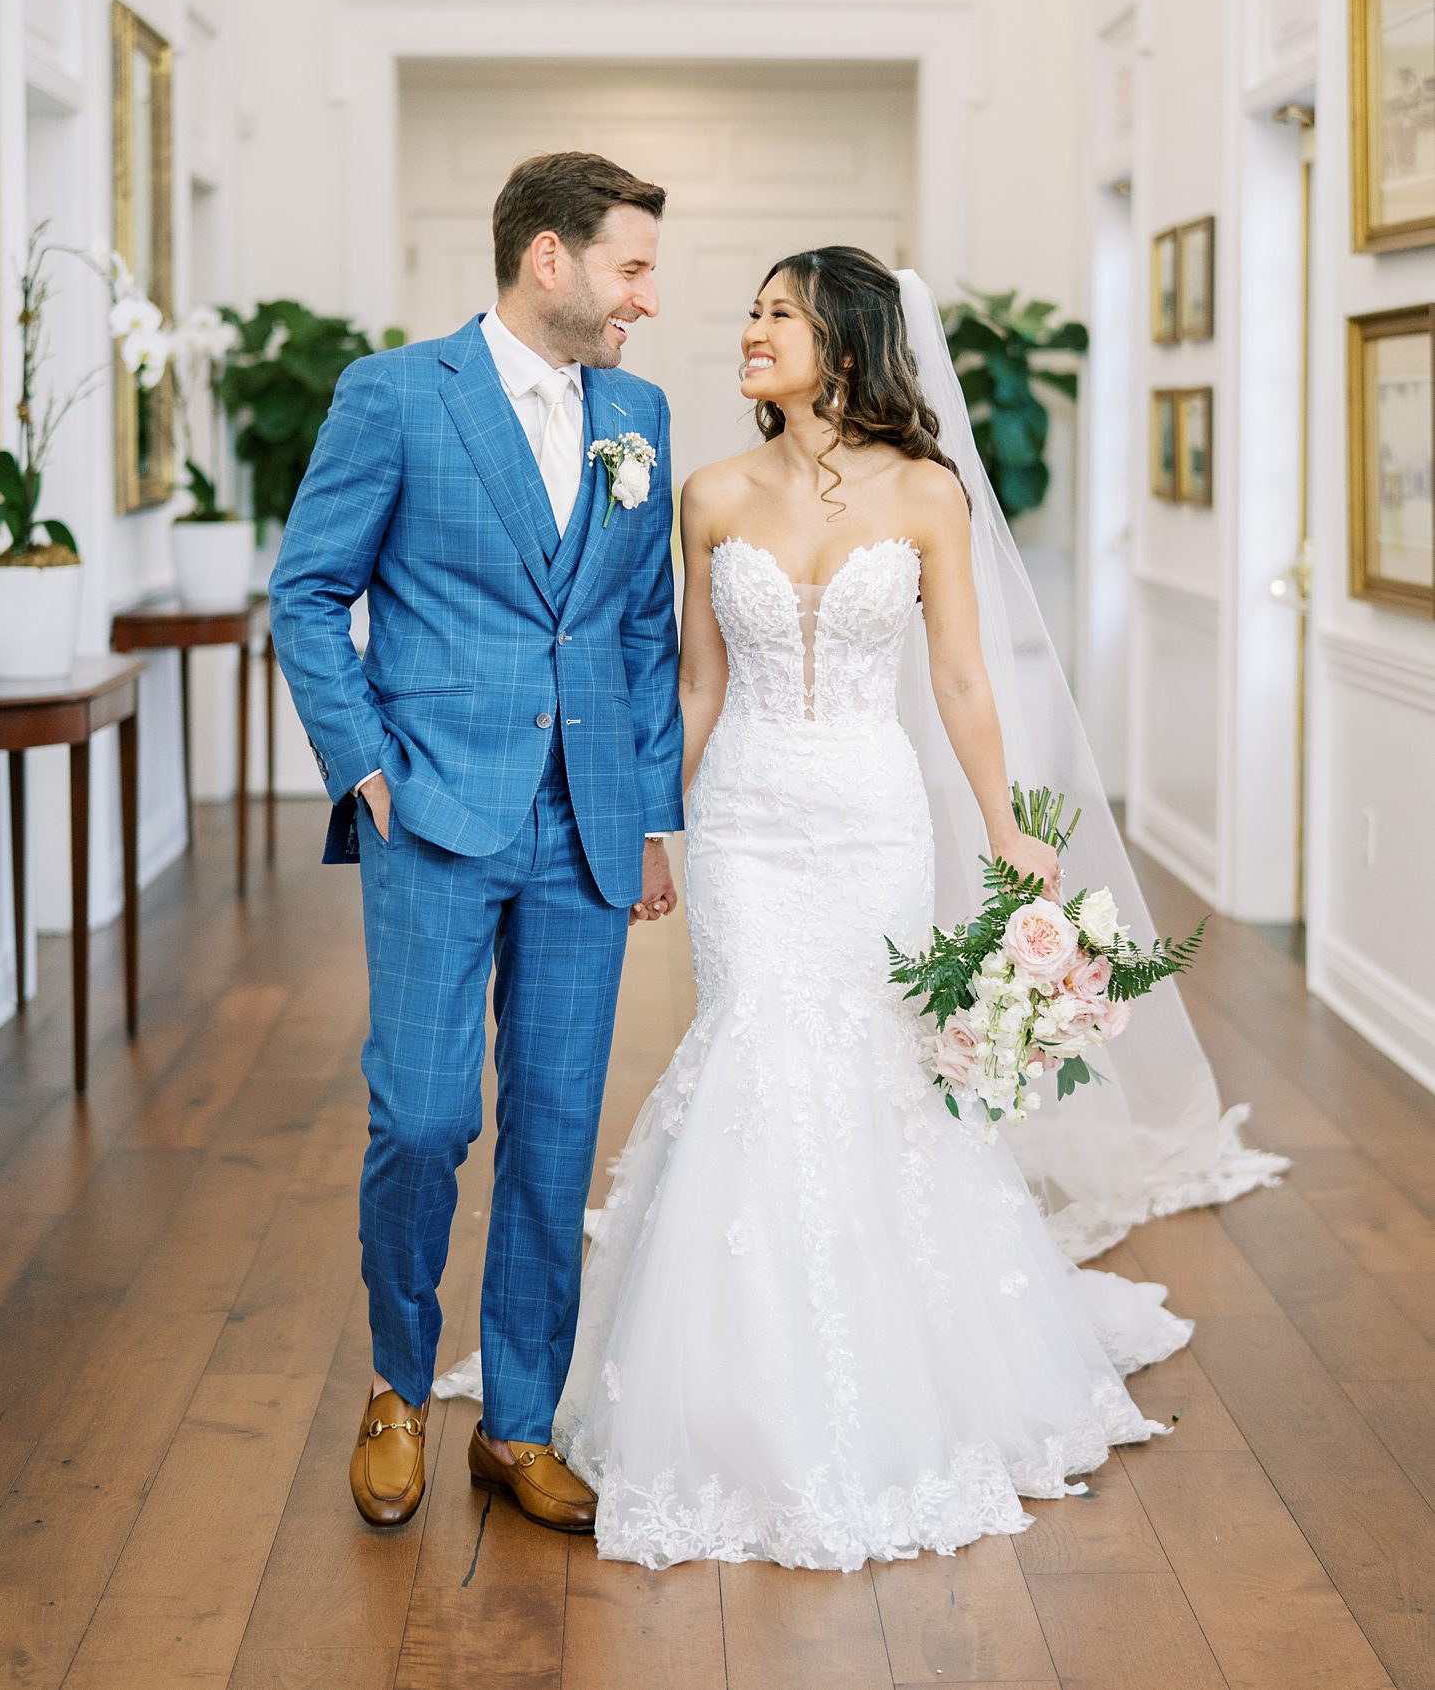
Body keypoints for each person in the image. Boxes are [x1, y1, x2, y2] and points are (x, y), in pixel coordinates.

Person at [438, 244, 1283, 1571]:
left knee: (873, 1062)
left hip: (874, 817)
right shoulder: (709, 492)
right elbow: (698, 684)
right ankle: (731, 1383)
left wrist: (1005, 826)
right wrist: (656, 822)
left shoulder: (930, 491)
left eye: (780, 313)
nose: (751, 329)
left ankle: (903, 1377)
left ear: (845, 339)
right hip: (746, 828)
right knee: (757, 1048)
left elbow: (957, 679)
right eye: (757, 312)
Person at [269, 151, 684, 1533]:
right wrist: (365, 766)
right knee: (428, 1115)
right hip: (435, 812)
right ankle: (397, 1384)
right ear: (549, 259)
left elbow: (636, 629)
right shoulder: (394, 395)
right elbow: (309, 592)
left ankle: (517, 1420)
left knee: (557, 1131)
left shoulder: (640, 412)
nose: (650, 295)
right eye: (631, 265)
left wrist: (652, 811)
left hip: (587, 827)